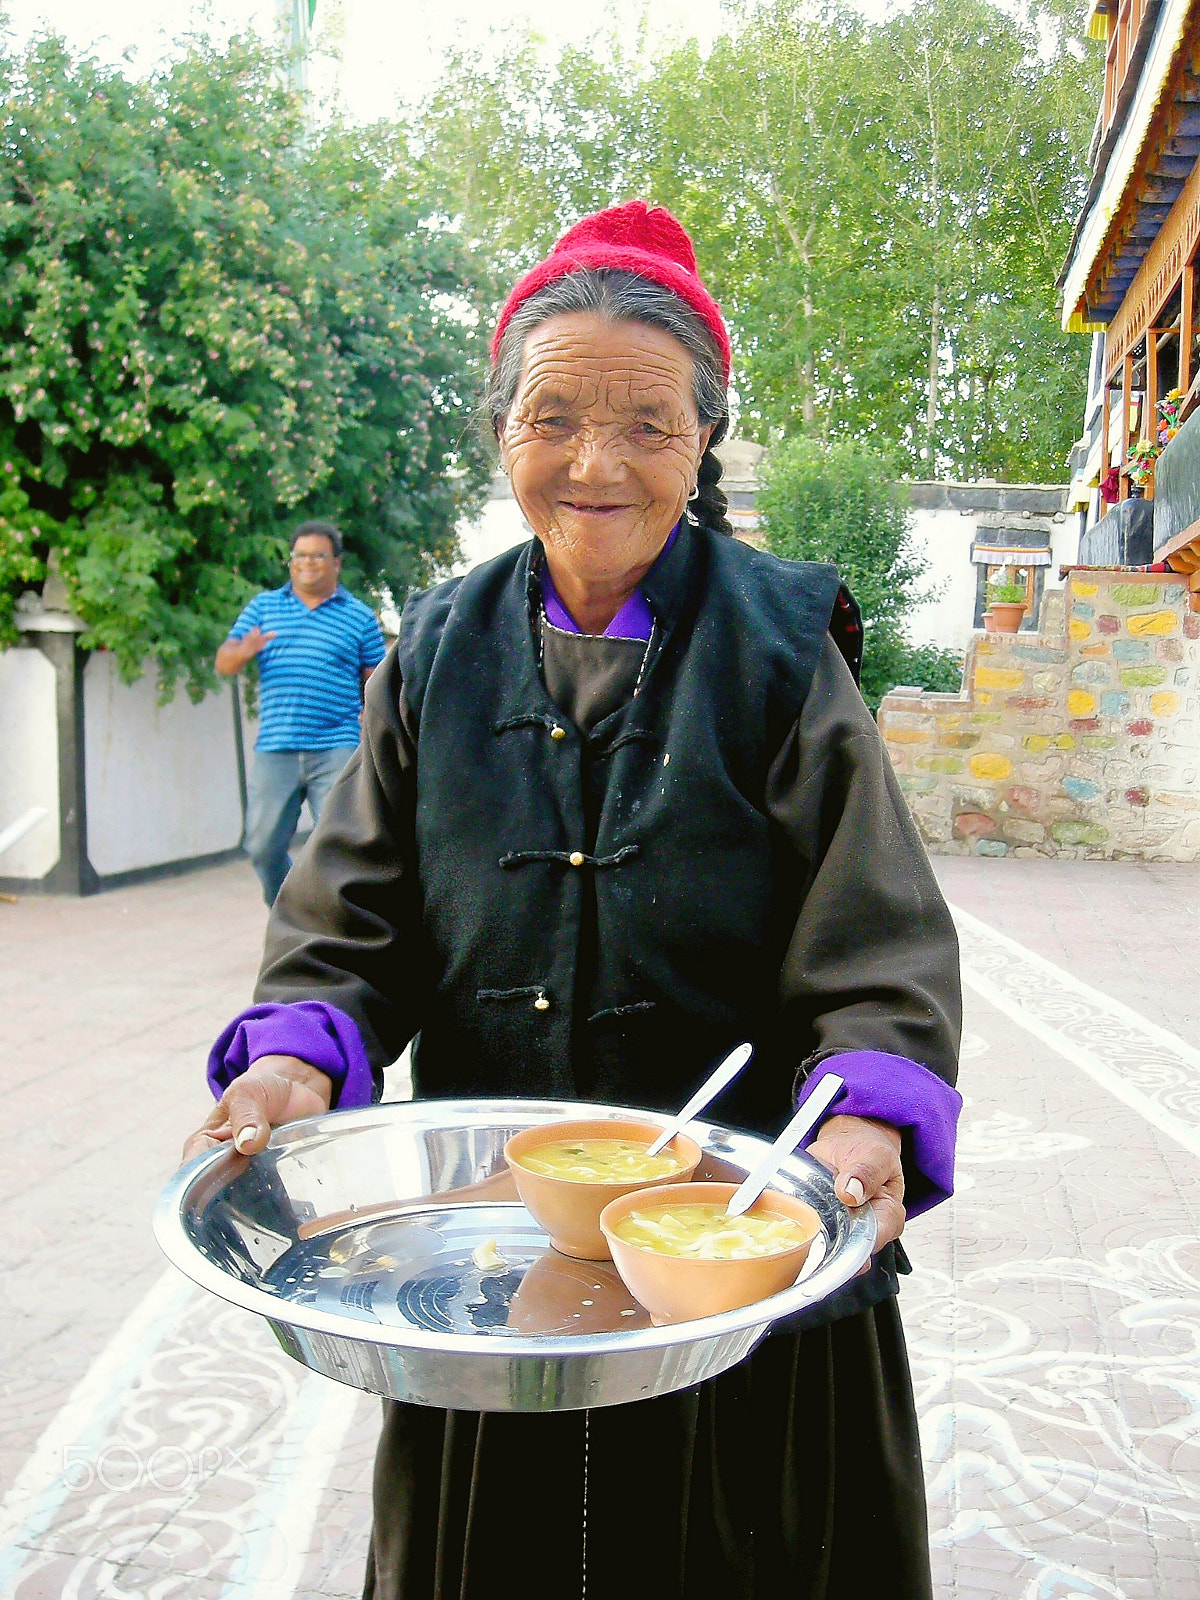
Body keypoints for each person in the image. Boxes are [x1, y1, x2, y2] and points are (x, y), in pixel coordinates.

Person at [186, 202, 962, 1599]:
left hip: (742, 1245)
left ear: (705, 440)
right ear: (501, 432)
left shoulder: (784, 649)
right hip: (505, 1259)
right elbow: (350, 912)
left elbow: (877, 930)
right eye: (553, 418)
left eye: (649, 425)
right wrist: (301, 1051)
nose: (596, 465)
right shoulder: (431, 648)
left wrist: (867, 1108)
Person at [216, 520, 387, 905]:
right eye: (300, 555)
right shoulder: (263, 608)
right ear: (291, 562)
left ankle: (329, 923)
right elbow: (225, 662)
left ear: (336, 563)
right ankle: (290, 910)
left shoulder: (358, 616)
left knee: (340, 843)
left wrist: (372, 714)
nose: (308, 562)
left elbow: (377, 678)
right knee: (262, 846)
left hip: (337, 746)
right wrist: (243, 651)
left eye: (318, 555)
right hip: (277, 746)